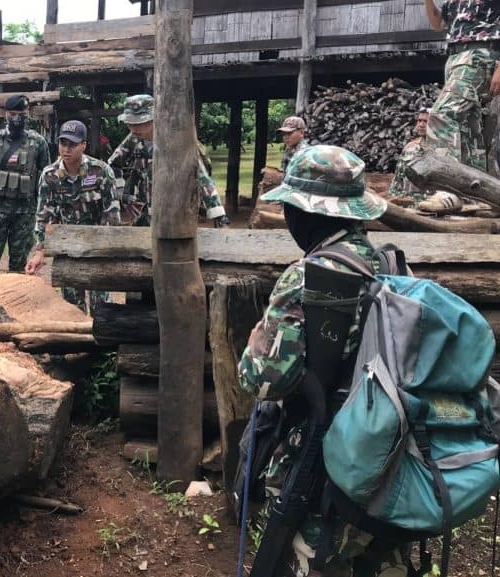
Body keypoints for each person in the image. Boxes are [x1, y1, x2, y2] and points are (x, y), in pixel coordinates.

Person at [239, 145, 408, 577]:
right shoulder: (392, 266)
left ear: (308, 214)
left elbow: (262, 378)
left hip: (320, 459)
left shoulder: (308, 275)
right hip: (384, 459)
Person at [26, 120, 121, 313]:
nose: (66, 150)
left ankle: (102, 342)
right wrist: (40, 251)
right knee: (72, 308)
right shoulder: (50, 175)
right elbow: (44, 215)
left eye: (72, 145)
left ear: (83, 146)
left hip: (97, 248)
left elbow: (112, 216)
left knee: (101, 307)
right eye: (63, 144)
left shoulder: (101, 171)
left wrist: (105, 250)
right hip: (67, 248)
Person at [107, 94, 229, 228]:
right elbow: (113, 166)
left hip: (176, 214)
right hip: (145, 214)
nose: (134, 129)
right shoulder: (133, 139)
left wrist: (219, 215)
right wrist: (122, 194)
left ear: (156, 119)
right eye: (130, 124)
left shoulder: (179, 142)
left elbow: (202, 178)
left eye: (140, 123)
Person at [0, 95, 51, 274]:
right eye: (12, 113)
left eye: (20, 113)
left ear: (28, 113)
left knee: (18, 266)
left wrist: (44, 211)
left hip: (25, 213)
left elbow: (46, 180)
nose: (16, 118)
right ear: (6, 114)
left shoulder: (39, 143)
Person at [424, 0, 500, 172]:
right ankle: (473, 189)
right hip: (454, 57)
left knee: (443, 116)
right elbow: (437, 24)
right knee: (469, 128)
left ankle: (443, 181)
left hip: (480, 54)